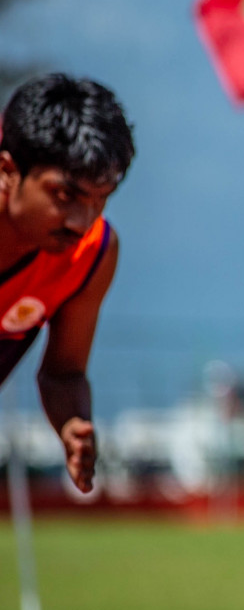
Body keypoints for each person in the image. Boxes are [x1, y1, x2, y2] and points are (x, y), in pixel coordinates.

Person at [0, 74, 132, 493]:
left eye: (100, 199)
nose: (82, 221)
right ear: (8, 170)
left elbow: (63, 374)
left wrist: (72, 422)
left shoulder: (92, 253)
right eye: (64, 195)